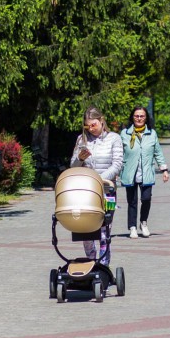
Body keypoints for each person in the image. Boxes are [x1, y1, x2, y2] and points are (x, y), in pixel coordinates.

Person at [70, 107, 123, 263]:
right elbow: (73, 167)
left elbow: (117, 164)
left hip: (107, 190)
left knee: (104, 229)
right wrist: (79, 158)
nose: (91, 129)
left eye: (93, 125)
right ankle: (90, 261)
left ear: (101, 120)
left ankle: (104, 264)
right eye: (87, 126)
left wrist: (98, 179)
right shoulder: (81, 139)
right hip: (86, 192)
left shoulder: (114, 138)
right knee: (86, 228)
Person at [119, 106, 169, 239]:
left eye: (142, 116)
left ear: (146, 118)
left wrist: (164, 169)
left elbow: (158, 152)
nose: (139, 118)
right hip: (130, 172)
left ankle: (143, 222)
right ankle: (132, 227)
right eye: (136, 116)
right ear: (132, 117)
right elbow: (119, 153)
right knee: (132, 201)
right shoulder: (124, 133)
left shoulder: (152, 133)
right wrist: (117, 169)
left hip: (146, 173)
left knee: (146, 199)